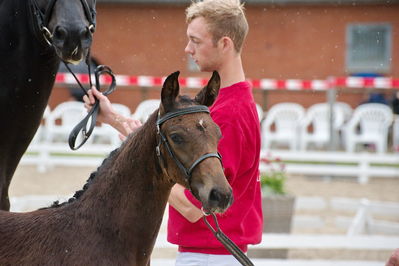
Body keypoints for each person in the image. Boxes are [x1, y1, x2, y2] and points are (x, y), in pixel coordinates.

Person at [84, 0, 262, 265]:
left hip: (208, 257)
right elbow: (167, 144)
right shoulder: (219, 104)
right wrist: (112, 118)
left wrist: (147, 166)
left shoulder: (227, 115)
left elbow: (194, 207)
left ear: (225, 44)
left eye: (196, 41)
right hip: (211, 254)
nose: (187, 48)